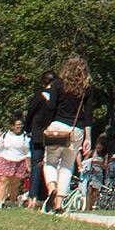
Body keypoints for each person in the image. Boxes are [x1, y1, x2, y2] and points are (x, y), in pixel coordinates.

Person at [26, 53, 91, 215]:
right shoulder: (87, 88)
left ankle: (52, 188)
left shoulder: (57, 84)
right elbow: (89, 114)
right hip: (76, 130)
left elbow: (50, 108)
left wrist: (47, 127)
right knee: (68, 166)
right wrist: (88, 137)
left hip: (57, 126)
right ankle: (59, 203)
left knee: (50, 162)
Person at [0, 121, 32, 209]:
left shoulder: (25, 137)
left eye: (21, 125)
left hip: (19, 160)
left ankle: (12, 203)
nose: (19, 127)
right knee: (3, 181)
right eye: (17, 125)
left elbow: (27, 152)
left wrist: (28, 165)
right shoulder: (5, 135)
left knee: (14, 183)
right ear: (12, 126)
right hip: (5, 159)